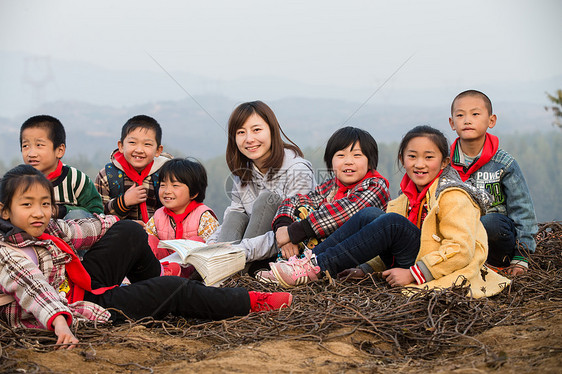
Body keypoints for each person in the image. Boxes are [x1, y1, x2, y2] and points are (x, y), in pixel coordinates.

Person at [0, 165, 292, 349]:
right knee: (171, 288)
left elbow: (80, 229)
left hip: (79, 285)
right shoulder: (7, 254)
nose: (39, 212)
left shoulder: (47, 229)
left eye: (45, 204)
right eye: (27, 204)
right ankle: (251, 302)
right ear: (5, 211)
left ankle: (163, 290)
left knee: (129, 231)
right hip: (71, 307)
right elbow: (35, 289)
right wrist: (60, 323)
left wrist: (126, 225)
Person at [268, 126, 511, 298]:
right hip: (413, 254)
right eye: (412, 156)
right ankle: (304, 265)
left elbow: (460, 250)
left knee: (391, 223)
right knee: (370, 216)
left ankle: (315, 267)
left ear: (445, 162)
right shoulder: (405, 198)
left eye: (429, 157)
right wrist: (365, 268)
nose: (420, 164)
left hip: (435, 266)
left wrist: (414, 274)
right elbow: (381, 240)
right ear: (401, 159)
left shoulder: (452, 195)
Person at [207, 101, 316, 273]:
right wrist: (211, 244)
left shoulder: (298, 170)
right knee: (235, 215)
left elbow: (294, 231)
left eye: (256, 130)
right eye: (241, 132)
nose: (249, 139)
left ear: (272, 130)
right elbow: (233, 218)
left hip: (281, 253)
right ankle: (217, 271)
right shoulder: (243, 173)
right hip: (244, 251)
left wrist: (238, 251)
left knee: (267, 200)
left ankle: (235, 274)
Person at [448, 90, 538, 276]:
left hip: (496, 241)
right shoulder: (445, 164)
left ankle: (495, 264)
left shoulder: (504, 163)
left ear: (491, 120)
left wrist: (522, 255)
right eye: (460, 115)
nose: (467, 120)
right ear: (452, 123)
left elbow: (523, 209)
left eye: (475, 114)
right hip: (460, 240)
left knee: (490, 223)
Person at [272, 126, 390, 260]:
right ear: (330, 161)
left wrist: (293, 232)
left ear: (370, 162)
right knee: (302, 208)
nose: (348, 162)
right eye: (341, 155)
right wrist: (283, 227)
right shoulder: (331, 186)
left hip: (360, 257)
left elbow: (346, 212)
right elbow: (293, 201)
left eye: (357, 155)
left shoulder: (376, 186)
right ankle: (293, 263)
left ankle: (302, 264)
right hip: (327, 252)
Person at [20, 115, 103, 220]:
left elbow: (97, 212)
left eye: (39, 145)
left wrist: (62, 210)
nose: (31, 154)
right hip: (32, 233)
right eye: (25, 146)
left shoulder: (76, 179)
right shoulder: (18, 182)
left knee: (76, 215)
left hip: (72, 233)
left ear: (59, 150)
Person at [95, 115, 172, 222]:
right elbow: (98, 216)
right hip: (121, 234)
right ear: (121, 146)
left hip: (161, 234)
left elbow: (180, 208)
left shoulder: (168, 173)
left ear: (158, 150)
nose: (139, 149)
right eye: (132, 143)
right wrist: (124, 202)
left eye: (147, 144)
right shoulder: (107, 175)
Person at [145, 158, 219, 260]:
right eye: (163, 185)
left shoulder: (204, 216)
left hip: (192, 268)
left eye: (175, 185)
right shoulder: (158, 215)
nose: (167, 191)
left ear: (194, 192)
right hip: (163, 265)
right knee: (148, 240)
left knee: (197, 242)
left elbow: (212, 248)